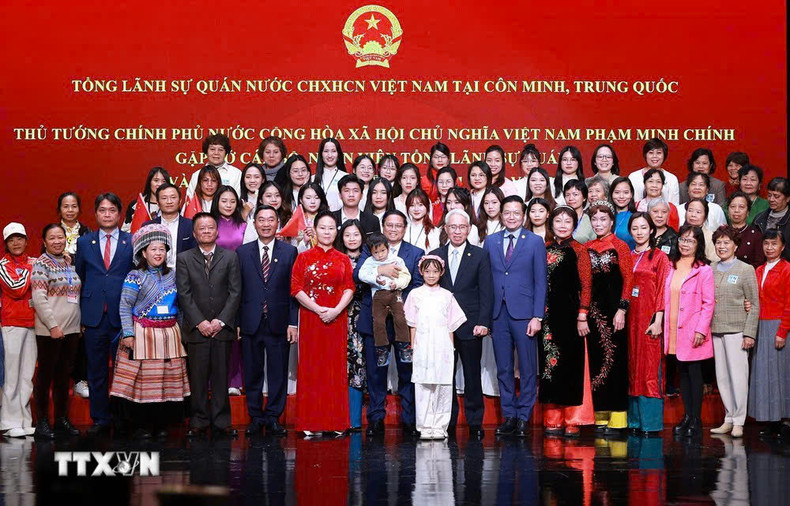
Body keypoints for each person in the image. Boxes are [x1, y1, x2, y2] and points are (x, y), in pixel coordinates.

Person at [110, 224, 190, 439]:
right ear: (143, 252)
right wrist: (128, 333)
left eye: (162, 249)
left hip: (170, 335)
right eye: (153, 249)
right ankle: (141, 425)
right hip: (143, 334)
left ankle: (161, 424)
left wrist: (183, 335)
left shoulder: (174, 275)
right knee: (144, 382)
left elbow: (181, 307)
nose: (158, 253)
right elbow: (125, 305)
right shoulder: (135, 276)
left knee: (166, 381)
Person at [354, 210, 424, 436]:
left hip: (403, 318)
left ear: (405, 228)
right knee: (376, 372)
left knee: (407, 370)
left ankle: (410, 419)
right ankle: (375, 418)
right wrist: (380, 270)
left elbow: (418, 284)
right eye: (389, 225)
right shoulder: (370, 248)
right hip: (374, 320)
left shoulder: (415, 253)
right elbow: (358, 275)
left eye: (398, 226)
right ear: (383, 227)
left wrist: (397, 294)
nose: (394, 229)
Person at [484, 195, 547, 437]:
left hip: (525, 315)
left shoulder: (534, 242)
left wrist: (537, 316)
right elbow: (487, 281)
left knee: (529, 368)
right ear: (501, 215)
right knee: (503, 368)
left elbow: (541, 282)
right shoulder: (490, 241)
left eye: (516, 212)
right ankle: (509, 415)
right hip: (498, 314)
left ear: (524, 216)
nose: (511, 216)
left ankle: (524, 417)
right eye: (507, 212)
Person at [176, 212, 241, 438]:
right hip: (196, 329)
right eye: (201, 228)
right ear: (194, 234)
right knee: (198, 378)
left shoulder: (231, 257)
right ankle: (199, 420)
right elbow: (184, 294)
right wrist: (200, 322)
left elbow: (235, 292)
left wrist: (221, 321)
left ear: (217, 231)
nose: (206, 231)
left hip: (222, 328)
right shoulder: (184, 258)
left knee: (222, 377)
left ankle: (222, 421)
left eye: (210, 228)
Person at [430, 209, 493, 439]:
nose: (457, 231)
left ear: (469, 229)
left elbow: (487, 291)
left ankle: (475, 422)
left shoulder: (479, 255)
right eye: (452, 227)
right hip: (442, 327)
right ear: (446, 229)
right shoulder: (435, 255)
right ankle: (447, 421)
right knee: (444, 377)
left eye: (462, 227)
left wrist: (484, 322)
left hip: (471, 325)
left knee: (472, 374)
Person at [74, 193, 134, 435]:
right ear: (96, 213)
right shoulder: (84, 242)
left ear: (119, 214)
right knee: (96, 370)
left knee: (123, 371)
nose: (107, 214)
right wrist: (79, 316)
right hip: (93, 316)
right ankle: (100, 418)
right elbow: (79, 278)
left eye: (112, 210)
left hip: (122, 316)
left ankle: (122, 418)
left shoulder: (130, 241)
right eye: (102, 210)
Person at [236, 205, 298, 436]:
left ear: (277, 224)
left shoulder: (289, 252)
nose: (265, 224)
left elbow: (294, 291)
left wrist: (293, 323)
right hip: (250, 322)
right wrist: (237, 323)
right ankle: (255, 416)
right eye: (261, 219)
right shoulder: (242, 253)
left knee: (277, 372)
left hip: (279, 322)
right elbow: (237, 290)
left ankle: (273, 416)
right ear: (254, 224)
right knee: (252, 372)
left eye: (270, 220)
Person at [291, 211, 355, 435]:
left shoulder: (343, 259)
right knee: (311, 367)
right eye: (323, 228)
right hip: (311, 318)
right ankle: (309, 423)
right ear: (315, 231)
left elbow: (349, 287)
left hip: (336, 319)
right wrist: (318, 310)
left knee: (334, 369)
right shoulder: (304, 257)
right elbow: (296, 288)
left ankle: (336, 423)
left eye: (331, 228)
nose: (327, 232)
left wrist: (336, 310)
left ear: (336, 231)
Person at [538, 207, 595, 438]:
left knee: (571, 366)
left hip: (571, 317)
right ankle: (553, 419)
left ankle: (573, 420)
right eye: (558, 220)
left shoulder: (579, 250)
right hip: (548, 316)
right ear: (551, 224)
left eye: (567, 221)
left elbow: (586, 284)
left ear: (574, 225)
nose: (562, 225)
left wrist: (583, 314)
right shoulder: (543, 249)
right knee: (549, 367)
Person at [404, 255, 466, 439]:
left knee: (442, 385)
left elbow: (451, 325)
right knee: (423, 385)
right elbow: (412, 324)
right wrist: (413, 347)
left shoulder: (447, 296)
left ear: (442, 273)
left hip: (442, 346)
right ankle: (424, 425)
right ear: (421, 271)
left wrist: (451, 348)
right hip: (422, 344)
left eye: (435, 271)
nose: (431, 275)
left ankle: (440, 426)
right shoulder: (415, 294)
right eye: (427, 271)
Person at [586, 200, 634, 435]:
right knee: (596, 361)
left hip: (615, 312)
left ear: (612, 221)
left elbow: (628, 280)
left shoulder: (620, 246)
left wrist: (622, 310)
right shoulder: (588, 247)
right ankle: (600, 414)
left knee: (615, 362)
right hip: (594, 314)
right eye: (594, 219)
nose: (598, 223)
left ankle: (617, 417)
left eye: (603, 219)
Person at [30, 224, 82, 439]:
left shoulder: (69, 262)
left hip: (70, 330)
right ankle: (42, 422)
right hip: (50, 331)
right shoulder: (41, 264)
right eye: (52, 238)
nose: (57, 241)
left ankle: (61, 420)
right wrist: (52, 326)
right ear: (44, 242)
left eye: (60, 237)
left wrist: (76, 326)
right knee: (45, 377)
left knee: (63, 378)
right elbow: (39, 299)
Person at [663, 224, 715, 438]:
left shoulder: (704, 269)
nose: (685, 244)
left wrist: (701, 330)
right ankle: (686, 416)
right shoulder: (671, 265)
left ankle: (695, 419)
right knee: (682, 374)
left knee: (694, 374)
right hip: (674, 328)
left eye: (690, 240)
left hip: (693, 331)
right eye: (682, 239)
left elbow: (708, 303)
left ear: (698, 244)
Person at [709, 226, 759, 438]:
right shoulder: (710, 268)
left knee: (738, 377)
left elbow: (754, 304)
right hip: (715, 329)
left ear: (736, 245)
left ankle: (739, 420)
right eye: (719, 242)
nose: (722, 246)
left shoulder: (745, 270)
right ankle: (728, 418)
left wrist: (749, 333)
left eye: (726, 242)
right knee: (722, 377)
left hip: (737, 330)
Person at [626, 213, 671, 435]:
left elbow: (663, 289)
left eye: (644, 227)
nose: (640, 232)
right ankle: (633, 421)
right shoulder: (627, 255)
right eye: (635, 228)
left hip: (649, 319)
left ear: (651, 230)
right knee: (632, 366)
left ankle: (651, 424)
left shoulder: (659, 257)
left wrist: (658, 319)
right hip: (628, 319)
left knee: (650, 367)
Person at [748, 230, 790, 439]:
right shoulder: (759, 269)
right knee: (765, 374)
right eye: (766, 243)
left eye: (774, 244)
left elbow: (789, 304)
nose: (770, 248)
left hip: (779, 326)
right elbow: (755, 298)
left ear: (782, 247)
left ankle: (785, 420)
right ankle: (772, 420)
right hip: (760, 325)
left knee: (781, 374)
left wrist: (782, 331)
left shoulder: (787, 270)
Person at [0, 223, 36, 438]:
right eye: (11, 239)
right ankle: (8, 421)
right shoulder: (2, 265)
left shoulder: (33, 262)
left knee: (27, 376)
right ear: (6, 243)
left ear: (26, 240)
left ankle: (24, 420)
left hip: (33, 323)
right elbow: (17, 287)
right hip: (11, 323)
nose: (16, 243)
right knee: (12, 376)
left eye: (19, 238)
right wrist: (35, 269)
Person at [358, 232, 411, 367]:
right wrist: (376, 275)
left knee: (400, 318)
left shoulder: (396, 260)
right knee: (378, 322)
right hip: (378, 296)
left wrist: (397, 284)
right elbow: (361, 275)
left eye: (383, 250)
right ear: (371, 252)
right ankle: (382, 350)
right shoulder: (370, 262)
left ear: (388, 248)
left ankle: (404, 347)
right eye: (376, 252)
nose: (380, 255)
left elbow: (406, 276)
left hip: (395, 293)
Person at [57, 192, 91, 399]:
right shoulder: (53, 232)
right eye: (65, 206)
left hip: (83, 291)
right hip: (59, 295)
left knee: (82, 334)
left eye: (74, 206)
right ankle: (61, 376)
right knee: (62, 335)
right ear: (59, 209)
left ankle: (80, 379)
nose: (70, 210)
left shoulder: (87, 234)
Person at [335, 220, 366, 431]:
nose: (352, 239)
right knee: (336, 365)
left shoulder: (370, 259)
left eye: (356, 234)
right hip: (337, 317)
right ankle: (336, 418)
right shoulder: (336, 259)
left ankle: (354, 420)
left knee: (358, 365)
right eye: (348, 235)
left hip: (362, 319)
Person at [144, 183, 197, 270]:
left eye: (173, 197)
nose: (169, 201)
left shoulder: (191, 225)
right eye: (164, 198)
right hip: (156, 277)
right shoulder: (149, 227)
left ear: (180, 200)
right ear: (158, 202)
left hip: (184, 276)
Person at [185, 134, 242, 198]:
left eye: (220, 150)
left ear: (226, 152)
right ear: (206, 151)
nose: (216, 153)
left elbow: (239, 200)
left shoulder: (236, 174)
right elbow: (189, 201)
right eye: (212, 149)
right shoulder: (197, 175)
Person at [628, 137, 680, 203]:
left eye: (659, 153)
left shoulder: (672, 179)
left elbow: (674, 206)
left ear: (664, 155)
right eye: (651, 152)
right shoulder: (633, 177)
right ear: (645, 155)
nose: (654, 156)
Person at [753, 177, 790, 260]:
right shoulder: (759, 219)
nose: (771, 199)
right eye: (769, 195)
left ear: (787, 198)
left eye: (776, 196)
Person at [122, 166, 169, 231]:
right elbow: (125, 231)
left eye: (163, 181)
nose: (159, 184)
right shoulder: (136, 205)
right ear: (149, 182)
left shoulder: (171, 205)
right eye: (156, 180)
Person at [727, 191, 765, 266]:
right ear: (728, 211)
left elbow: (759, 263)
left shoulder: (756, 236)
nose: (736, 210)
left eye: (741, 207)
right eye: (733, 206)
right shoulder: (721, 233)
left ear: (748, 212)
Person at [313, 138, 347, 212]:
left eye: (333, 151)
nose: (330, 155)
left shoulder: (346, 177)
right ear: (321, 154)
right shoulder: (312, 179)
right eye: (326, 151)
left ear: (339, 154)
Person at [212, 185, 247, 253]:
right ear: (217, 202)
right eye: (224, 201)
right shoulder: (210, 224)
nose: (228, 205)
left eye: (233, 202)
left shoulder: (243, 225)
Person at [405, 188, 440, 252]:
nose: (416, 209)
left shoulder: (435, 232)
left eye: (420, 205)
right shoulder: (403, 229)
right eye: (412, 205)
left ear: (427, 207)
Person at [564, 180, 595, 244]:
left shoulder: (590, 219)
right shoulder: (559, 217)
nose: (571, 198)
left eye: (575, 194)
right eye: (567, 195)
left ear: (584, 198)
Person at [609, 177, 636, 249]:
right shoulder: (605, 216)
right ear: (611, 194)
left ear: (631, 194)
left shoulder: (636, 218)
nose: (621, 196)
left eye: (626, 192)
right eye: (617, 192)